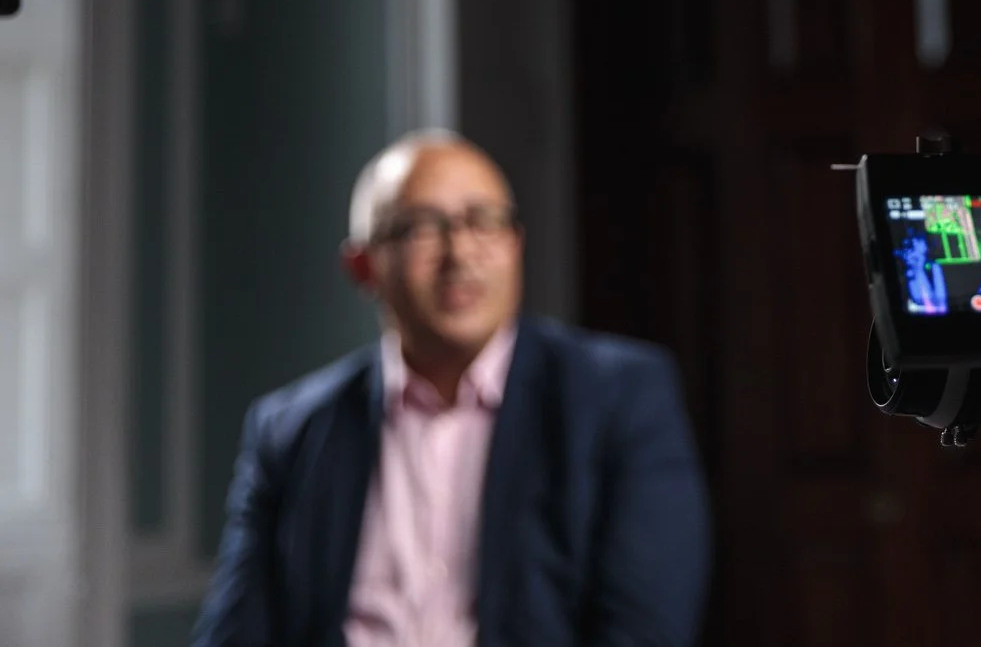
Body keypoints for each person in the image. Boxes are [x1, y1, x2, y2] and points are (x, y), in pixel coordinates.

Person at [190, 129, 711, 647]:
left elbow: (645, 629)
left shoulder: (620, 398)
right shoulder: (291, 430)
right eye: (421, 228)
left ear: (515, 244)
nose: (460, 252)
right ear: (362, 265)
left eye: (484, 221)